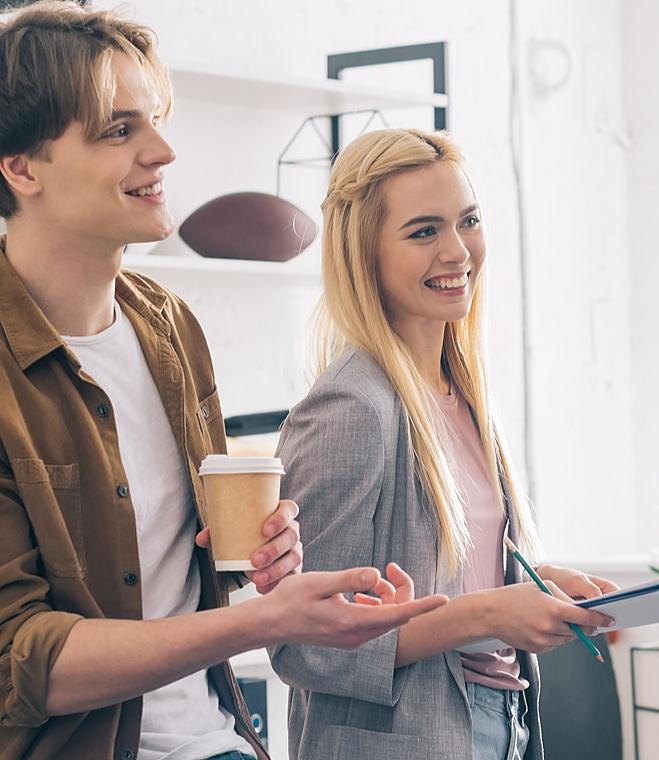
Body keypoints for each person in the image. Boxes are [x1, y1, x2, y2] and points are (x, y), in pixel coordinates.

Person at [0, 5, 446, 759]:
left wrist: (266, 561)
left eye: (156, 121)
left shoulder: (169, 326)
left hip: (219, 741)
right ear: (20, 167)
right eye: (119, 131)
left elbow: (200, 568)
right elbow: (21, 662)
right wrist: (266, 621)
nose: (163, 150)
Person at [269, 127, 617, 760]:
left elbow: (453, 569)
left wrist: (531, 583)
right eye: (424, 231)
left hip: (501, 724)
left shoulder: (460, 393)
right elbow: (304, 644)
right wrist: (486, 613)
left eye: (469, 221)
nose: (458, 251)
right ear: (364, 253)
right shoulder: (352, 408)